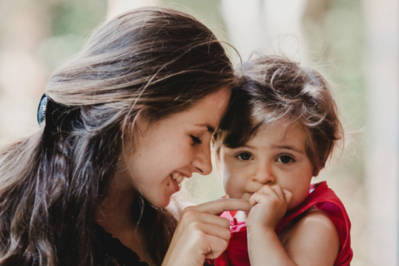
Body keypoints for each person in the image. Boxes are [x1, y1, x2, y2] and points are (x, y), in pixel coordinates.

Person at [0, 7, 251, 266]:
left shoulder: (179, 232)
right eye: (196, 138)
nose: (206, 166)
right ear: (135, 118)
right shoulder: (8, 221)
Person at [211, 55, 353, 266]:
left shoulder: (314, 227)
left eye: (284, 158)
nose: (262, 176)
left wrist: (261, 230)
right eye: (244, 155)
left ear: (317, 161)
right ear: (218, 159)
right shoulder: (218, 222)